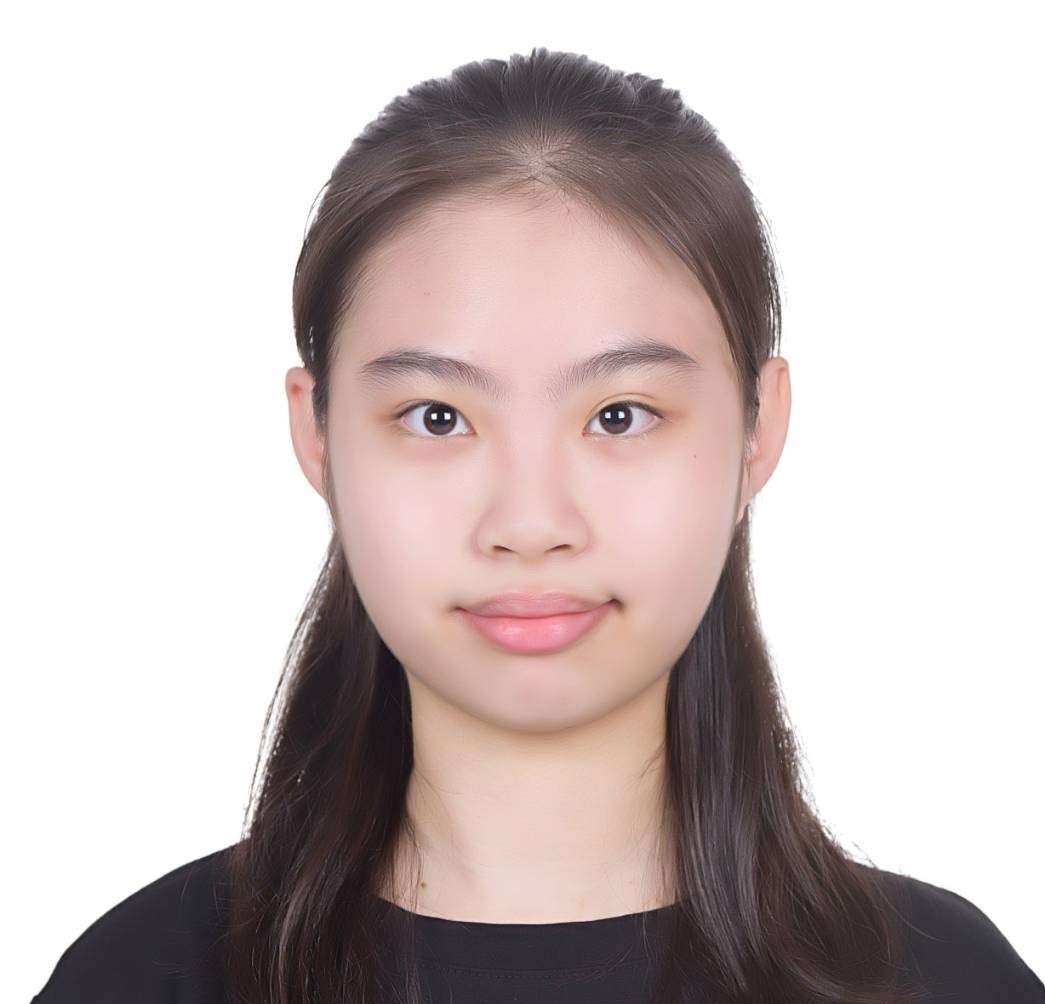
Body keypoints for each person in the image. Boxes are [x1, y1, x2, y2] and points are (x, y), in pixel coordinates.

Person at [33, 46, 1044, 1004]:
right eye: (437, 417)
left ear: (757, 428)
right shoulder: (144, 977)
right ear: (318, 434)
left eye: (620, 415)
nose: (528, 523)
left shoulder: (946, 980)